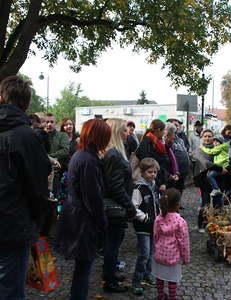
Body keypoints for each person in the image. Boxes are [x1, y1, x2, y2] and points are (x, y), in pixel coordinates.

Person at [0, 75, 51, 300]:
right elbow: (38, 187)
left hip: (12, 223)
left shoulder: (24, 135)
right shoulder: (25, 136)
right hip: (14, 226)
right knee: (11, 289)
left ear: (2, 97)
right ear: (27, 103)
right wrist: (39, 221)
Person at [56, 119, 110, 300]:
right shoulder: (89, 160)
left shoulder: (81, 155)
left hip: (75, 216)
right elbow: (92, 198)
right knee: (83, 269)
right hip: (82, 221)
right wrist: (103, 223)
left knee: (82, 268)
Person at [103, 118, 137, 293]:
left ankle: (111, 274)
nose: (128, 132)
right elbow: (115, 187)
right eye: (124, 130)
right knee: (112, 244)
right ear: (116, 132)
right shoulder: (113, 154)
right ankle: (109, 281)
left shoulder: (116, 152)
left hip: (117, 206)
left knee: (115, 243)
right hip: (115, 208)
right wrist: (129, 206)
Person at [152, 188, 190, 300]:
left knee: (160, 277)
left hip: (159, 254)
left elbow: (155, 235)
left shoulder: (158, 218)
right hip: (173, 256)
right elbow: (184, 241)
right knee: (172, 279)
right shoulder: (180, 222)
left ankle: (160, 296)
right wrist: (186, 258)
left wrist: (158, 246)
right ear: (178, 204)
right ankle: (172, 298)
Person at [131, 158, 160, 295]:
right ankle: (137, 281)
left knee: (151, 253)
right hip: (143, 227)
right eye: (150, 172)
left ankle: (147, 275)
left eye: (155, 172)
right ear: (142, 172)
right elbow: (134, 207)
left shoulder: (153, 186)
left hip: (154, 226)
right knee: (144, 254)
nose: (153, 175)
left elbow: (156, 204)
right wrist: (145, 218)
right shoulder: (139, 188)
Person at [193, 129, 226, 232]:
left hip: (217, 180)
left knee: (218, 203)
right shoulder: (199, 150)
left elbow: (223, 160)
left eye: (209, 136)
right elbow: (206, 163)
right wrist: (220, 168)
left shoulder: (217, 148)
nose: (207, 138)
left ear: (213, 137)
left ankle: (216, 224)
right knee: (205, 203)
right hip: (204, 181)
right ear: (202, 138)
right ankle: (202, 224)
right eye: (205, 136)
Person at [136, 119, 171, 191]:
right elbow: (148, 164)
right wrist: (158, 183)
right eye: (163, 130)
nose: (164, 133)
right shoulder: (147, 142)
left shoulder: (157, 142)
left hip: (158, 179)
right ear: (158, 130)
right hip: (153, 180)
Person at [168, 119, 190, 193]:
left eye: (177, 126)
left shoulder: (180, 139)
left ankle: (178, 204)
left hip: (183, 172)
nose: (177, 127)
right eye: (175, 125)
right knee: (173, 192)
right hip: (174, 172)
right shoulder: (168, 139)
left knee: (180, 191)